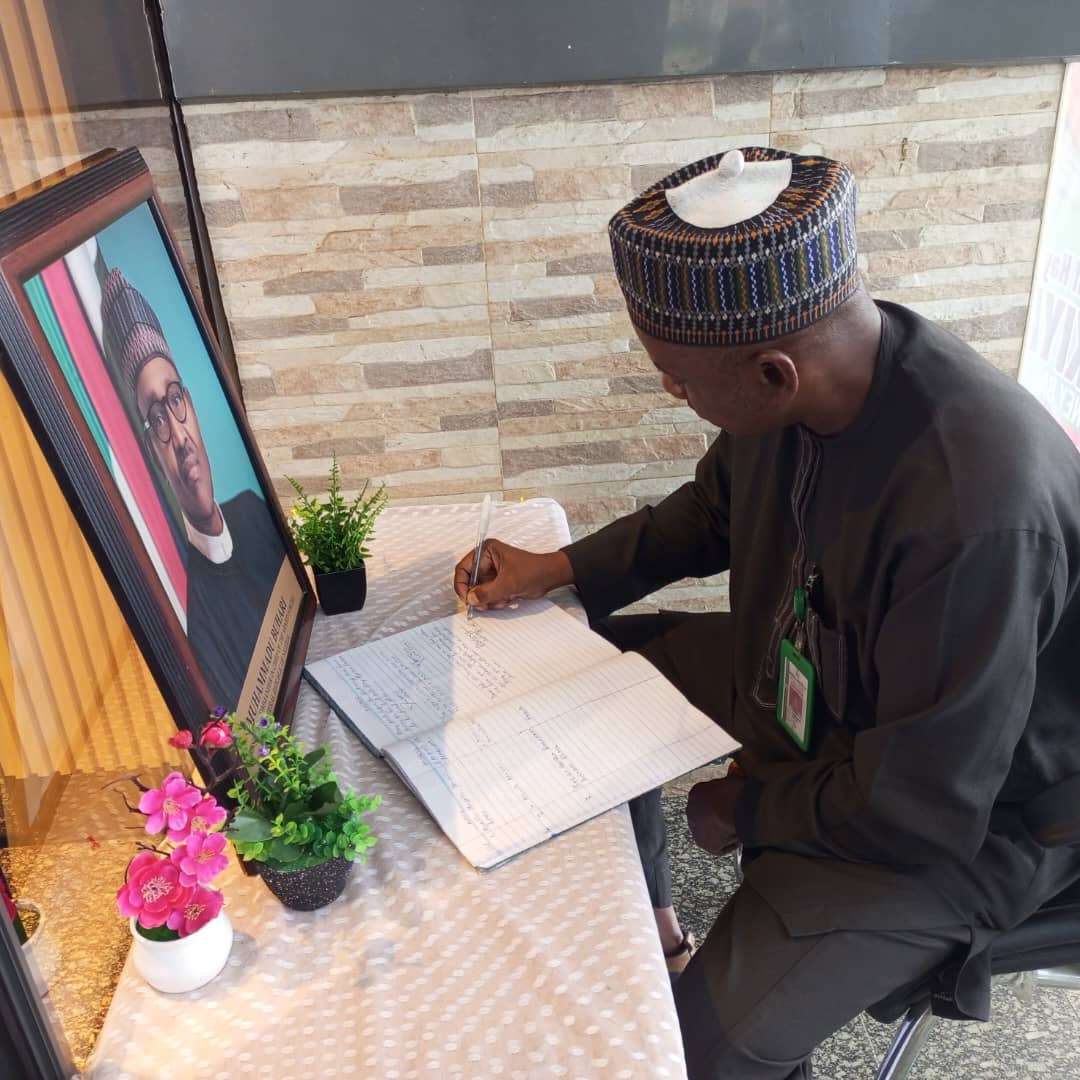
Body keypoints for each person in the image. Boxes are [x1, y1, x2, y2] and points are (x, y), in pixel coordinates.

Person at [453, 146, 1080, 1078]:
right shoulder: (821, 383)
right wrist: (559, 568)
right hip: (819, 696)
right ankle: (657, 928)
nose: (671, 391)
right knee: (572, 676)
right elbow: (714, 511)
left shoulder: (972, 512)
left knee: (690, 1055)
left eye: (677, 378)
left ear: (773, 375)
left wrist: (748, 807)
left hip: (963, 826)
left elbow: (919, 806)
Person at [101, 268, 284, 710]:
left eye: (176, 400)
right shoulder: (190, 614)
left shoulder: (254, 513)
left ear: (194, 406)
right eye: (157, 419)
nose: (180, 438)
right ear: (149, 449)